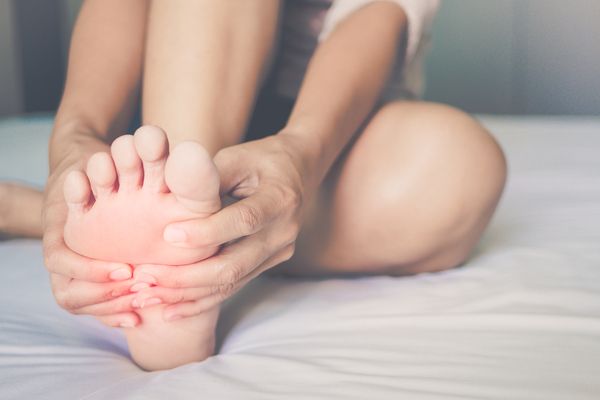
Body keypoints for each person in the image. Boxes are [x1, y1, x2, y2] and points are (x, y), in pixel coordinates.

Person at [3, 0, 506, 371]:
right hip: (178, 100)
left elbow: (382, 11)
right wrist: (76, 134)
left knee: (461, 167)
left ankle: (167, 237)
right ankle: (180, 262)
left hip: (323, 119)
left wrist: (301, 151)